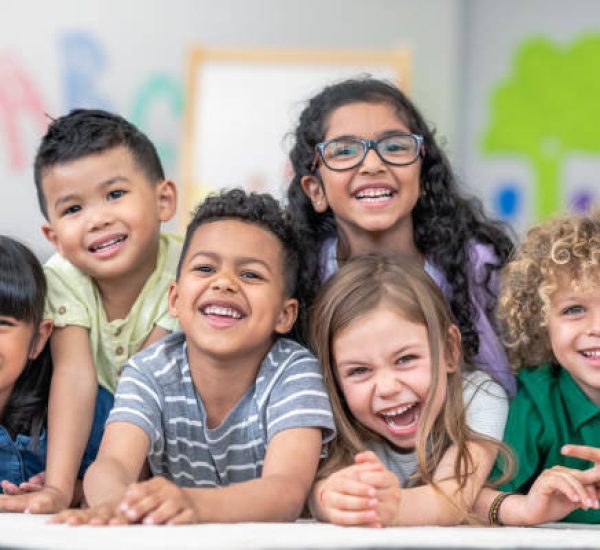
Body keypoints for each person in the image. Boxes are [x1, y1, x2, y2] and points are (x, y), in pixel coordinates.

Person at [51, 189, 335, 526]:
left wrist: (193, 504)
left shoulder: (294, 374)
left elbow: (286, 493)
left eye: (251, 274)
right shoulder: (150, 370)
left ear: (285, 315)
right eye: (205, 268)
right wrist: (118, 504)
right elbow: (112, 463)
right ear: (174, 298)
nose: (224, 283)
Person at [0, 110, 180, 514]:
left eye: (115, 194)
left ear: (163, 199)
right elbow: (75, 374)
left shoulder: (189, 266)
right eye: (73, 210)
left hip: (165, 414)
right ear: (54, 237)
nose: (97, 219)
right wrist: (60, 488)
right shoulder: (62, 276)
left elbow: (149, 379)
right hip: (85, 423)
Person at [287, 77, 515, 395]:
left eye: (394, 146)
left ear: (423, 175)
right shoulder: (301, 277)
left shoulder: (475, 265)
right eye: (343, 151)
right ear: (316, 191)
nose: (372, 164)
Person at [308, 254, 509, 526]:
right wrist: (329, 499)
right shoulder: (331, 417)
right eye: (359, 371)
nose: (388, 388)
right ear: (334, 379)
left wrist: (390, 507)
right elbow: (312, 493)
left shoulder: (479, 397)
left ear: (450, 350)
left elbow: (451, 499)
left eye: (405, 359)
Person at [476, 209, 600, 524]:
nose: (596, 327)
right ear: (542, 323)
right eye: (574, 309)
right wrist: (527, 508)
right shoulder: (536, 400)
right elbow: (472, 498)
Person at [0, 236, 103, 501]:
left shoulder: (82, 412)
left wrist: (76, 491)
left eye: (2, 323)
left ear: (38, 339)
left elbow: (137, 479)